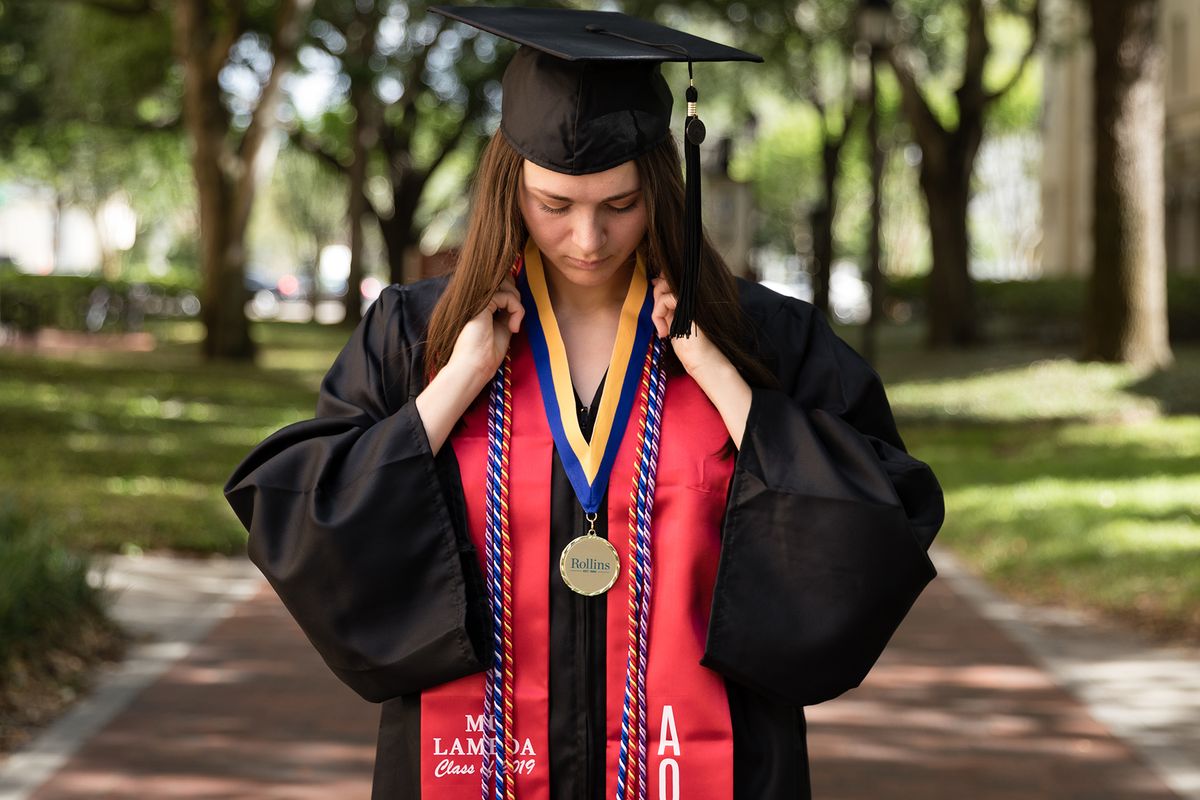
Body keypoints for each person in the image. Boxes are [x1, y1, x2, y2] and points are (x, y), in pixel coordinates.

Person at [224, 7, 945, 800]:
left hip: (711, 767)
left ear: (662, 188)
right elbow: (304, 519)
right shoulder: (415, 335)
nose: (588, 239)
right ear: (509, 184)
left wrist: (728, 384)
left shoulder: (762, 335)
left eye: (619, 205)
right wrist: (454, 385)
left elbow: (883, 518)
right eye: (554, 204)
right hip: (476, 765)